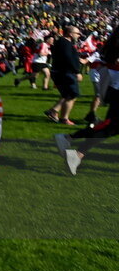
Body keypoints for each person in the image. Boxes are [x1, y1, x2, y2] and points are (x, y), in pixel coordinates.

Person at [54, 24, 119, 175]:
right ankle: (69, 139)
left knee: (109, 128)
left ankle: (76, 153)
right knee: (110, 128)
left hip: (114, 90)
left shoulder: (112, 44)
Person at [44, 26, 85, 125]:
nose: (79, 35)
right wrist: (77, 72)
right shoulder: (65, 43)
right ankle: (64, 118)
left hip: (60, 71)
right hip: (66, 72)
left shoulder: (61, 42)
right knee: (72, 95)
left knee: (67, 94)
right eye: (77, 33)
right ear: (70, 34)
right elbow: (68, 58)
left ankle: (53, 111)